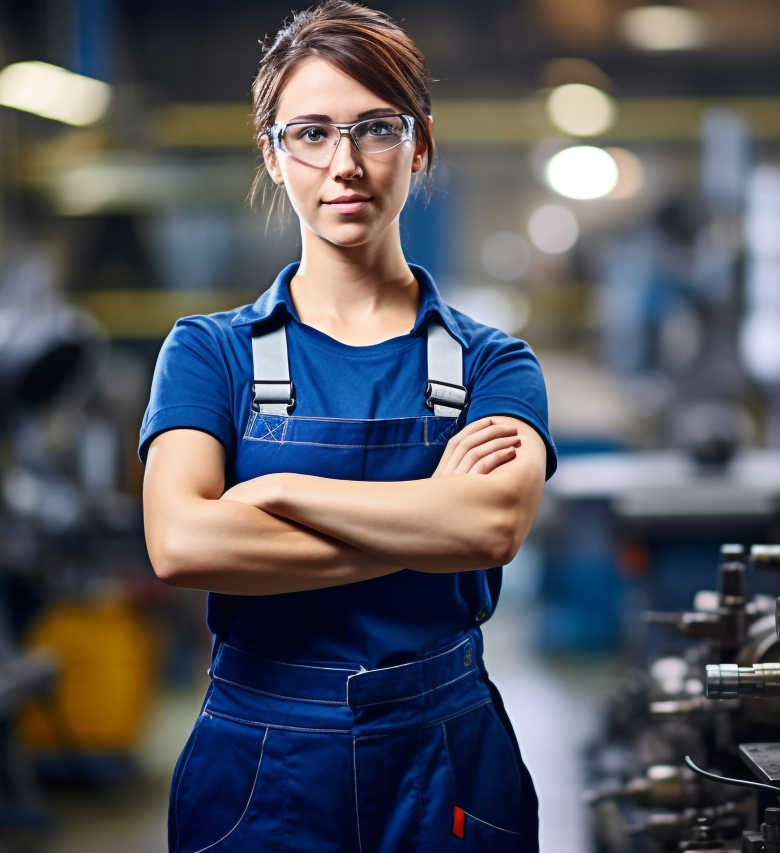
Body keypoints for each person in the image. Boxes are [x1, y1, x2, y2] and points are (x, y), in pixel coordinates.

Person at [138, 2, 556, 850]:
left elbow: (492, 525)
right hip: (260, 762)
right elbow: (181, 543)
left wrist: (279, 489)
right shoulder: (206, 353)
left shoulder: (495, 364)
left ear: (420, 143)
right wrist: (426, 519)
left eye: (376, 128)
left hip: (445, 754)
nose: (346, 163)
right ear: (272, 152)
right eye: (312, 133)